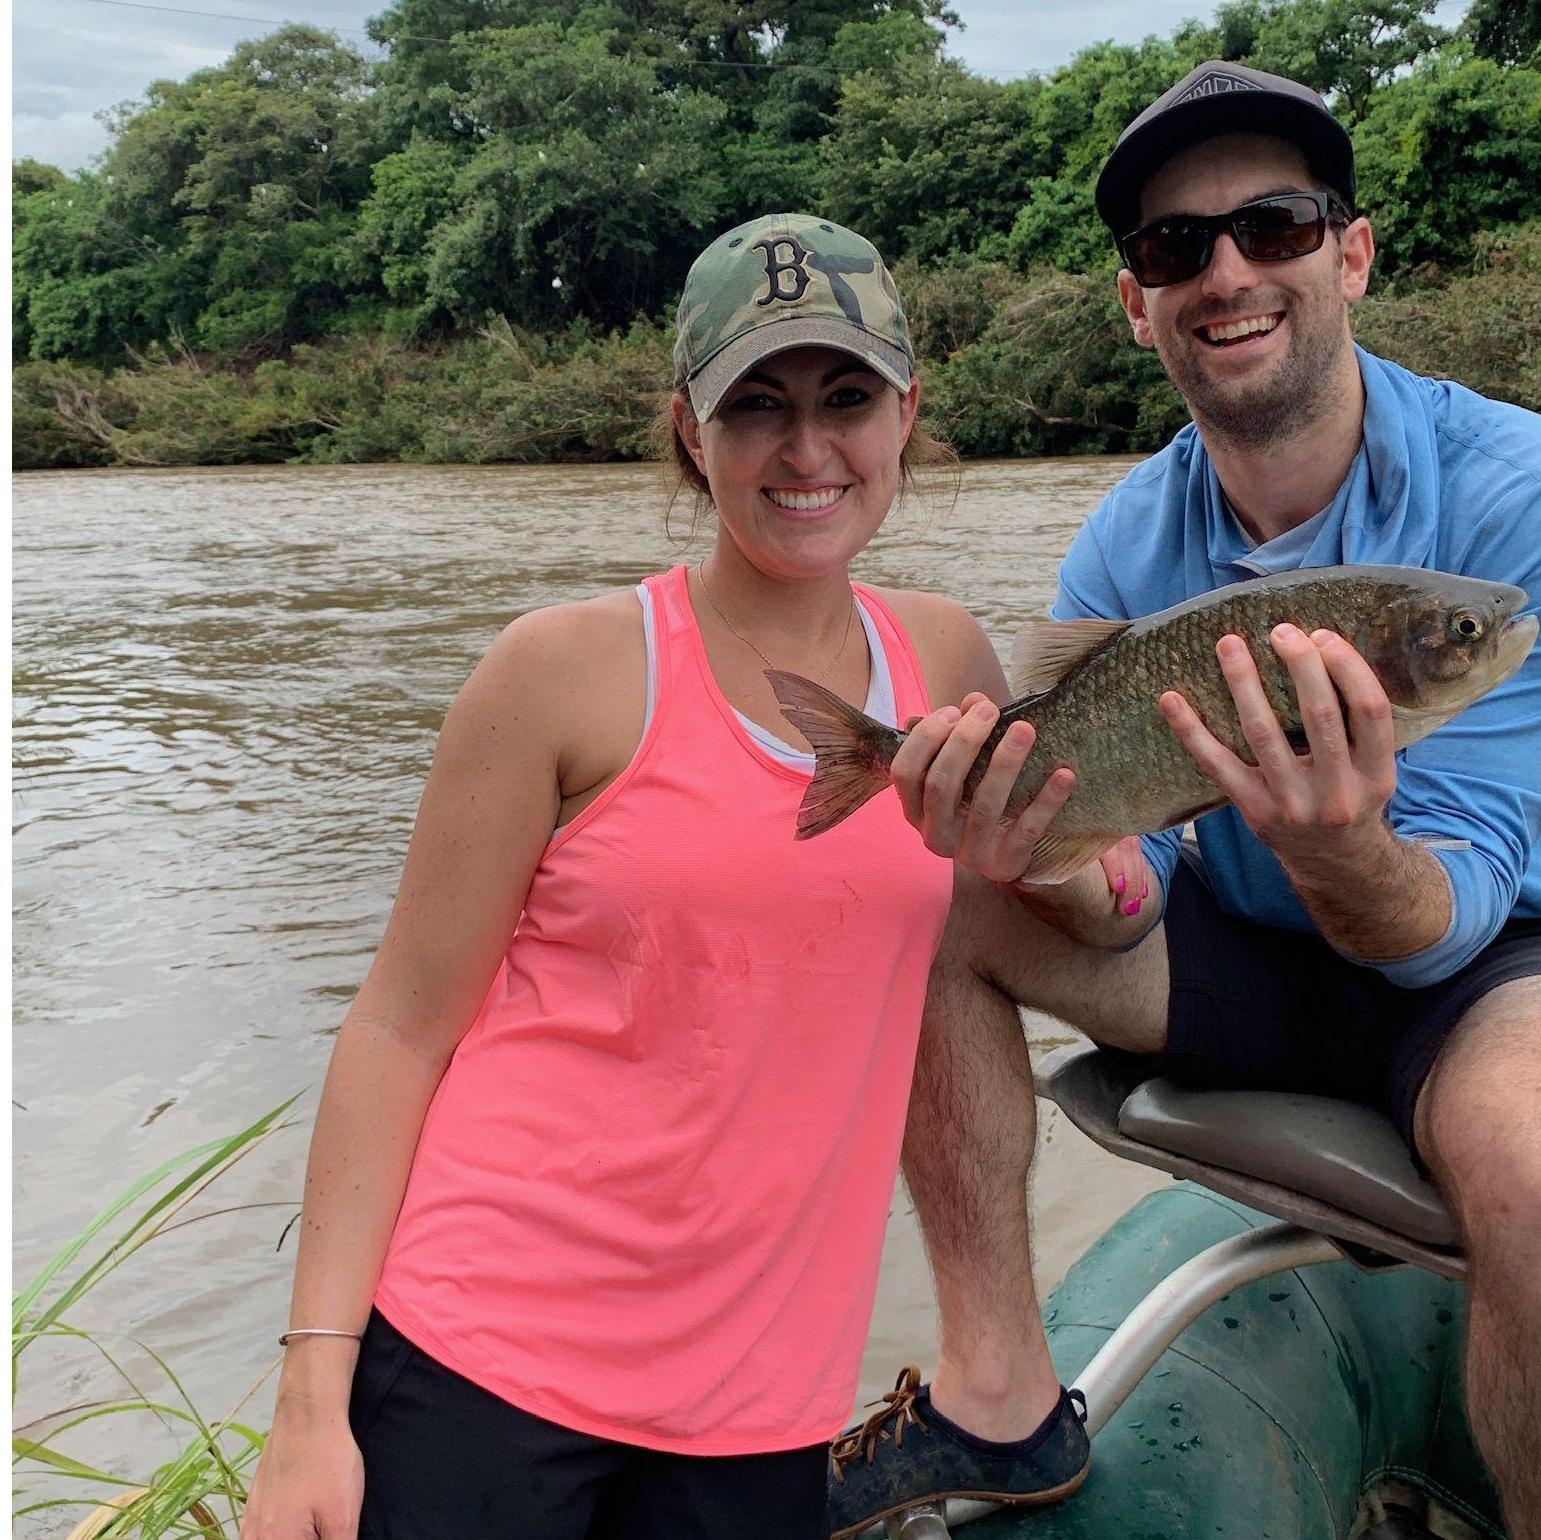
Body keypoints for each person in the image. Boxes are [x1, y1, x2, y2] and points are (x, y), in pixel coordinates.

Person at [237, 213, 1095, 1540]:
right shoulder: (559, 672)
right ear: (691, 431)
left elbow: (1089, 879)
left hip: (765, 1407)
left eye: (845, 398)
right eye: (756, 405)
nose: (806, 450)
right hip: (485, 1358)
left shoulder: (944, 662)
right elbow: (400, 1028)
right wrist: (309, 1399)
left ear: (907, 412)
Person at [828, 61, 1541, 1540]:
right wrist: (1046, 861)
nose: (1225, 273)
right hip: (1243, 942)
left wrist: (1337, 842)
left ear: (1347, 253)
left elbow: (1440, 915)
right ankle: (998, 1396)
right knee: (931, 893)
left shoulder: (1509, 495)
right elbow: (1131, 875)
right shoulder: (1126, 542)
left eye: (1271, 226)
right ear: (1134, 303)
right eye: (1173, 248)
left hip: (1477, 972)